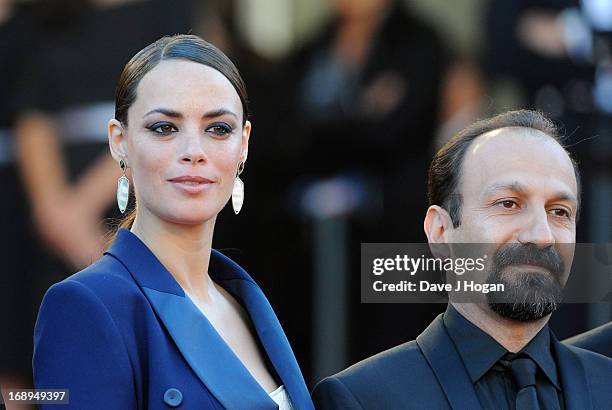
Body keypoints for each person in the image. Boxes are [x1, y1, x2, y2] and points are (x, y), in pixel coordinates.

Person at [32, 34, 314, 410]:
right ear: (120, 141)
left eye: (218, 129)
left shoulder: (247, 299)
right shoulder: (86, 306)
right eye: (164, 127)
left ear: (243, 144)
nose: (193, 152)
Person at [312, 110, 612, 409]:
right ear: (441, 231)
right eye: (508, 204)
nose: (542, 234)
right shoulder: (364, 398)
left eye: (559, 211)